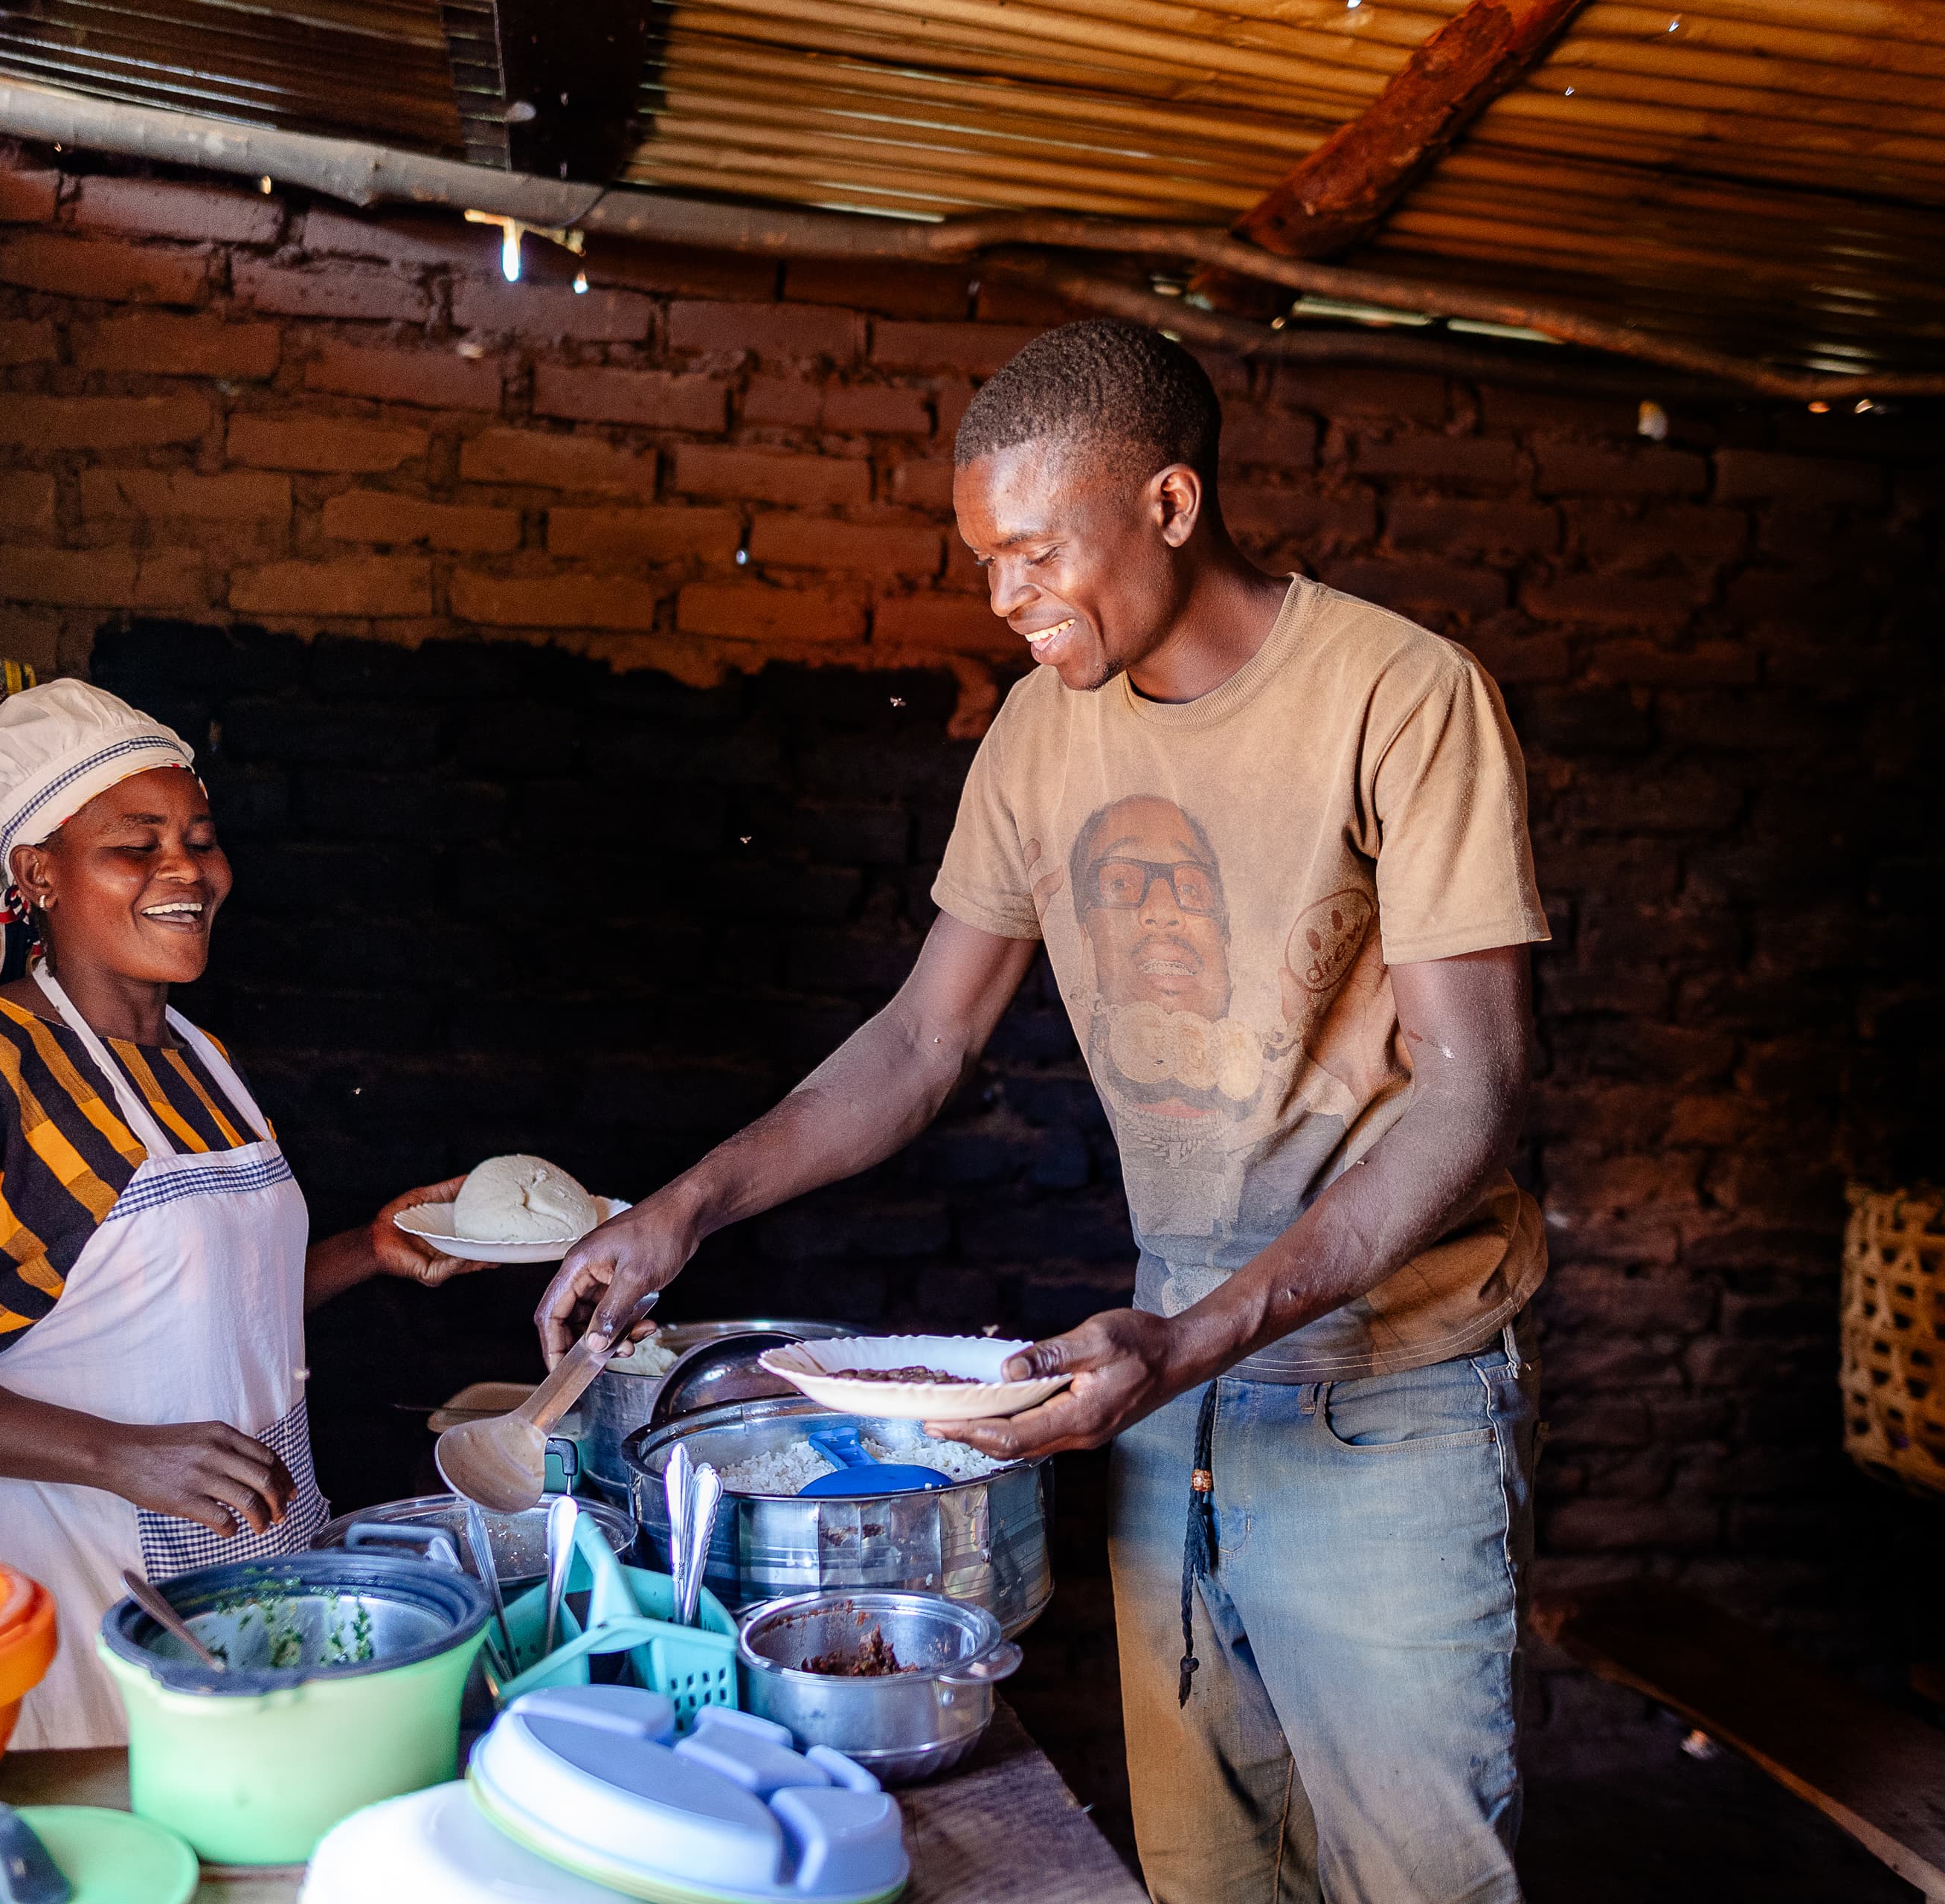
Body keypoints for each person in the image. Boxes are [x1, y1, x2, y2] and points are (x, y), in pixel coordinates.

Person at [540, 319, 1549, 1902]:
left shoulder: (1400, 697)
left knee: (1415, 1881)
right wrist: (680, 1208)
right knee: (1215, 1871)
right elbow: (919, 1045)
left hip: (1383, 1406)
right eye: (984, 562)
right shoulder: (1036, 732)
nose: (1005, 597)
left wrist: (1200, 1335)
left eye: (1032, 552)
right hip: (1166, 1397)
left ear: (1167, 503)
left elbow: (1475, 1092)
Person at [0, 680, 473, 1748]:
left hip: (245, 1567)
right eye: (134, 844)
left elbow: (192, 1312)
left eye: (199, 839)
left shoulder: (207, 1066)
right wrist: (121, 1455)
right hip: (34, 1595)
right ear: (37, 876)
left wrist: (366, 1251)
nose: (186, 870)